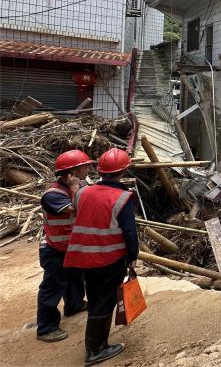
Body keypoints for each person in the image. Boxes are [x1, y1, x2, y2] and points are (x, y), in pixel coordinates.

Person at [63, 148, 139, 366]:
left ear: (100, 170)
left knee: (95, 297)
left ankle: (97, 344)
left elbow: (83, 217)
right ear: (124, 171)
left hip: (83, 256)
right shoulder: (122, 198)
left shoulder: (82, 193)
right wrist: (133, 255)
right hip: (109, 258)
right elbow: (130, 232)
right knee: (104, 302)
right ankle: (95, 350)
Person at [36, 149, 93, 342]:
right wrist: (77, 188)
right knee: (53, 287)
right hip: (55, 249)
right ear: (73, 172)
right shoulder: (53, 195)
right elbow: (81, 208)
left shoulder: (81, 185)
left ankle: (74, 305)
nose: (88, 168)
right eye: (85, 166)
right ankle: (46, 328)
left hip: (72, 246)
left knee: (76, 278)